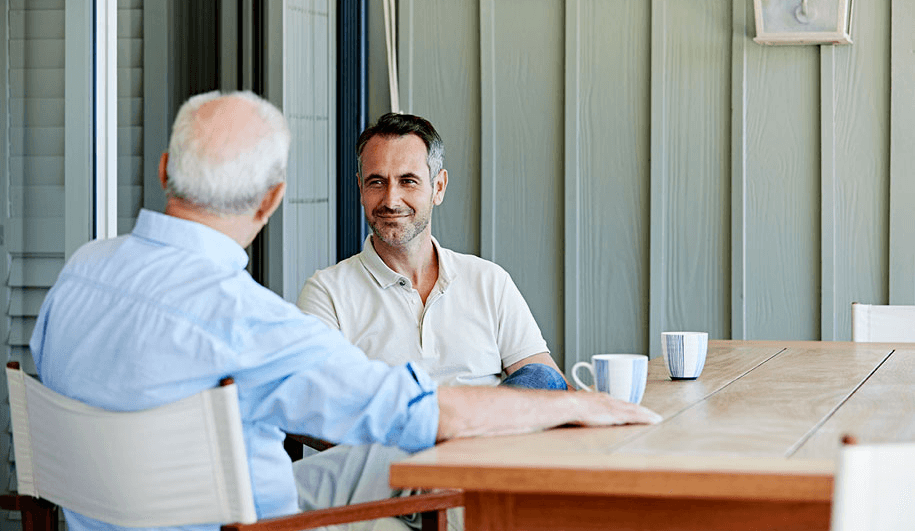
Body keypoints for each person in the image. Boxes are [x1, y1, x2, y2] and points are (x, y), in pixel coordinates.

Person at [30, 91, 660, 531]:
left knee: (387, 462)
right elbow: (414, 413)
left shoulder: (80, 274)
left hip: (117, 519)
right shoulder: (250, 322)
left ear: (167, 170)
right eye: (376, 182)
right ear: (273, 199)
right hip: (249, 524)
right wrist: (580, 402)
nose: (391, 198)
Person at [297, 112, 567, 390]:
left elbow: (550, 386)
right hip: (397, 431)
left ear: (438, 187)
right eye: (376, 182)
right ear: (361, 189)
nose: (391, 200)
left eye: (408, 181)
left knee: (542, 378)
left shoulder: (489, 281)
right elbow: (316, 410)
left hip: (491, 432)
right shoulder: (326, 293)